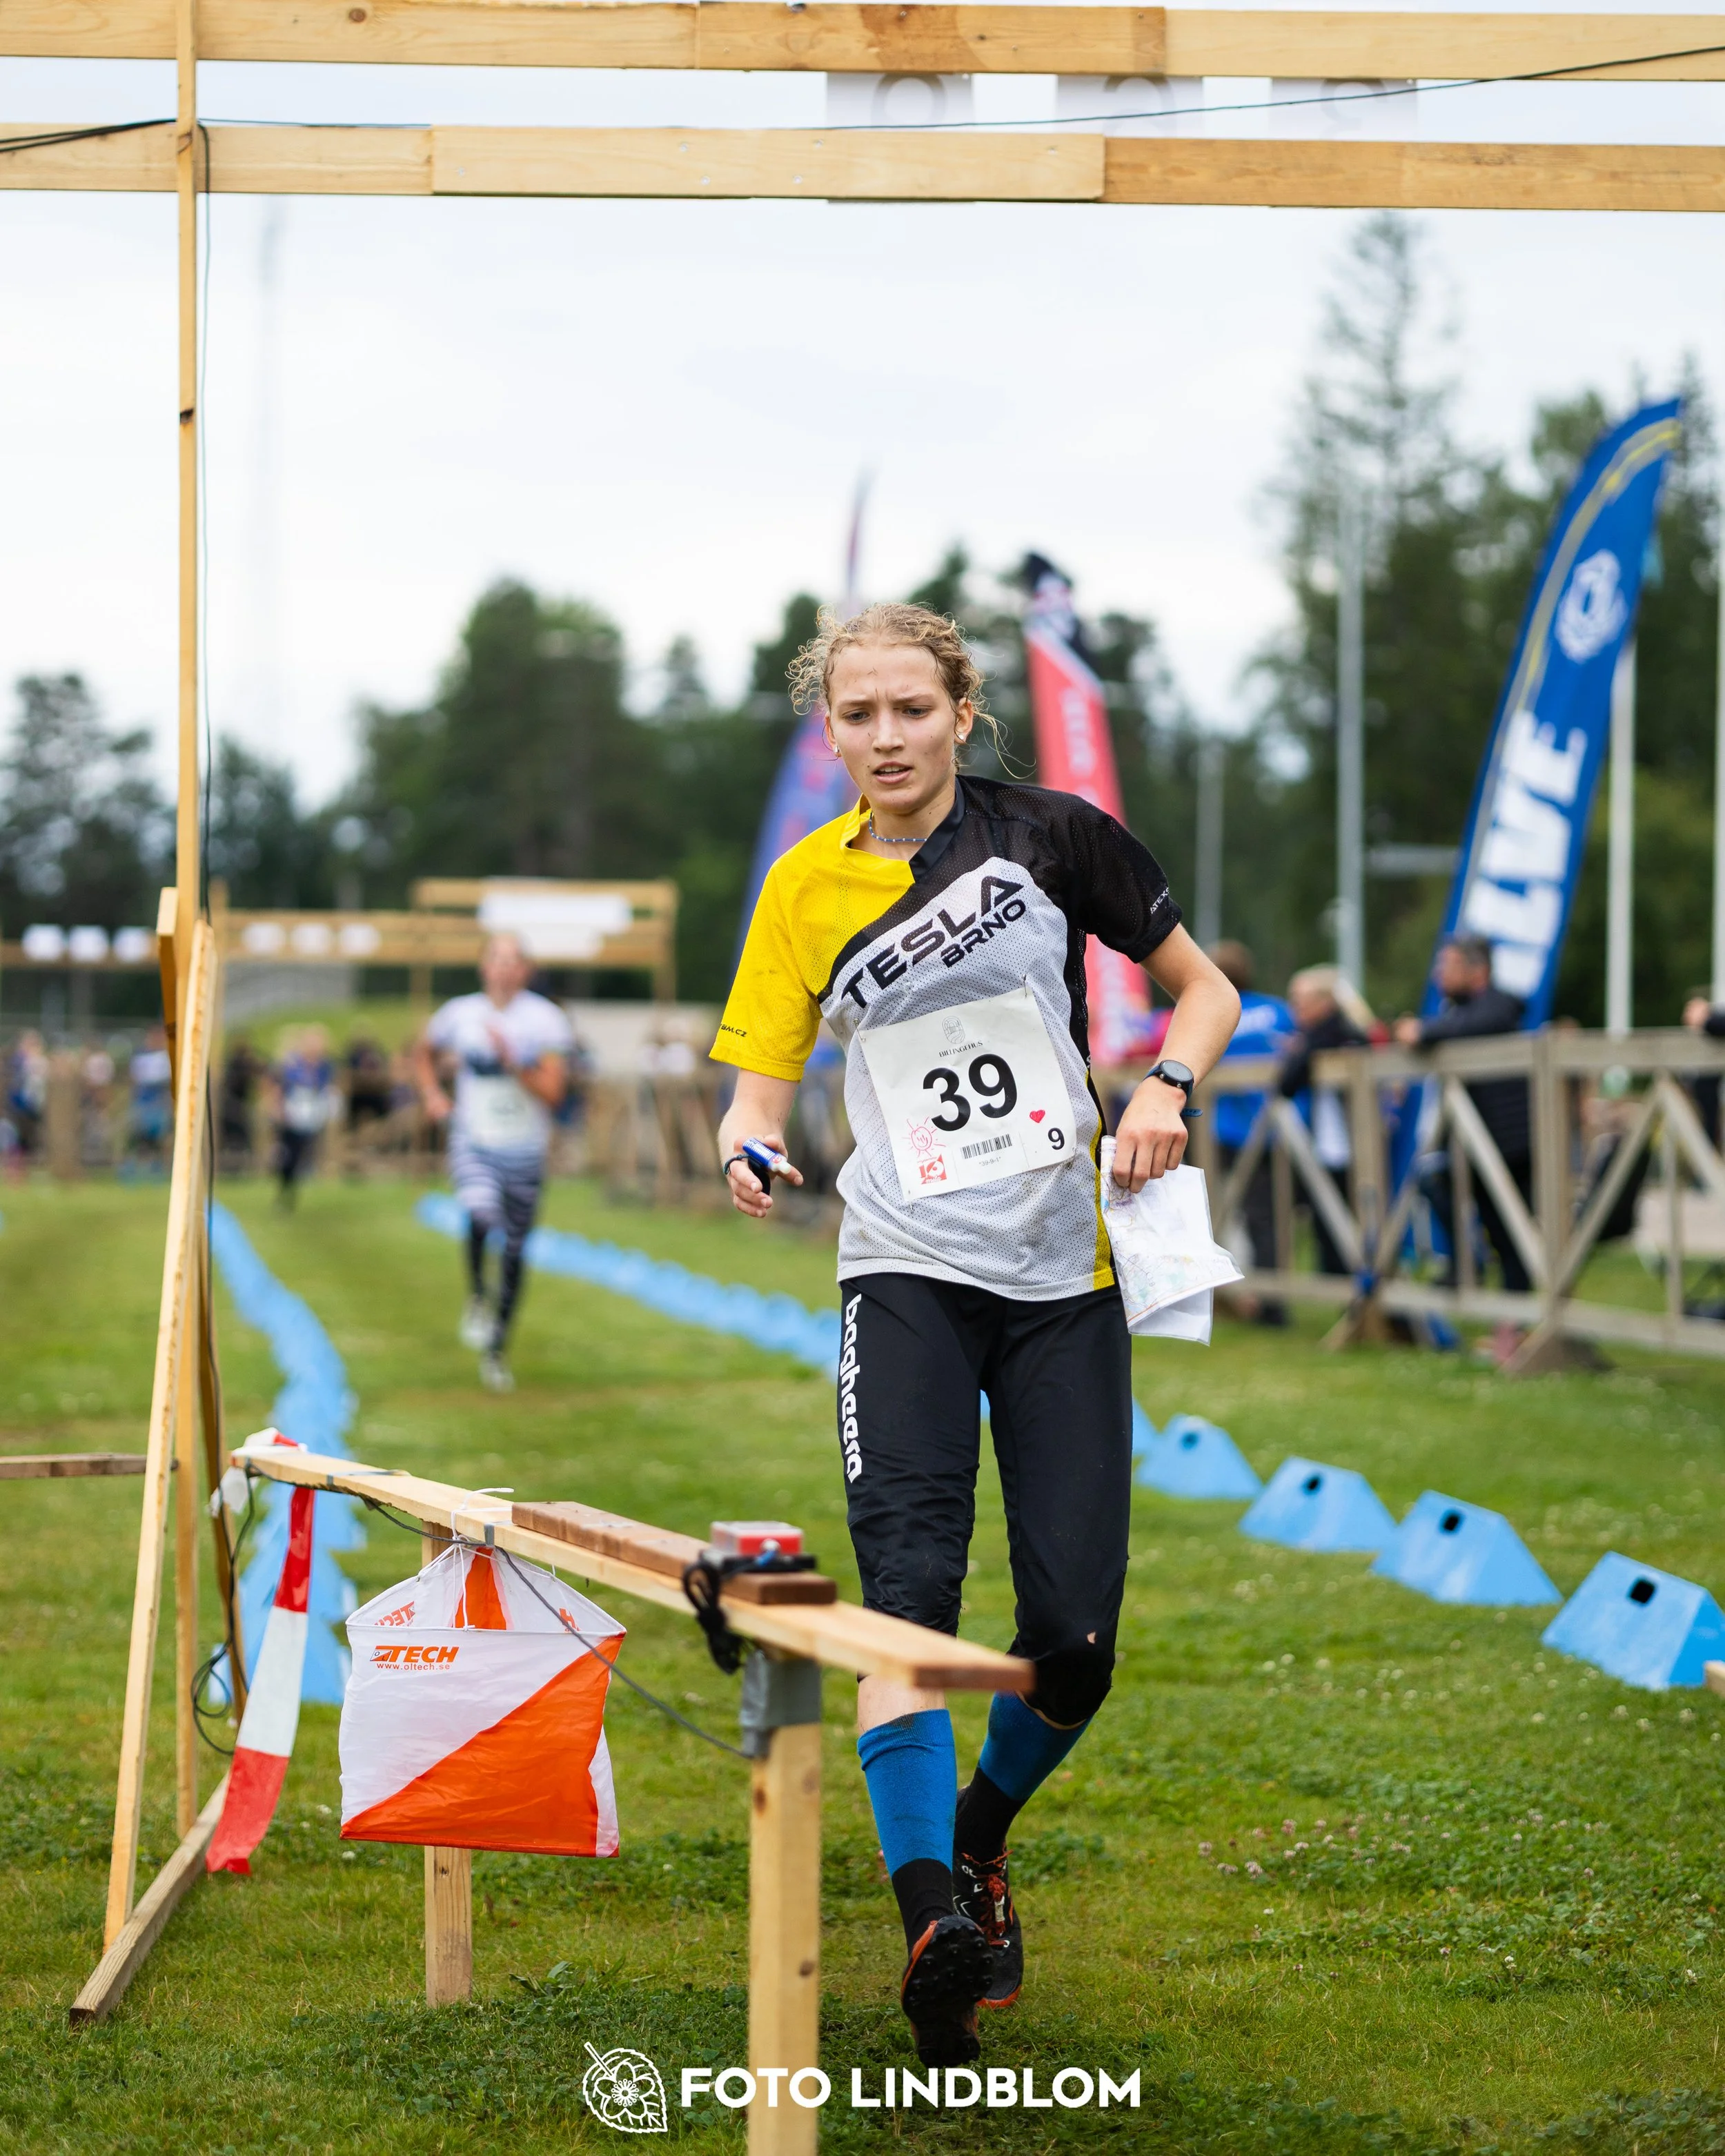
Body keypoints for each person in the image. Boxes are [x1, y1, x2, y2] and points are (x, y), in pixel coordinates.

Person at [711, 603, 1239, 2068]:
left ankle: (978, 1835)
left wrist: (1163, 1090)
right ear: (829, 731)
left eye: (910, 711)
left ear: (960, 713)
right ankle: (933, 1921)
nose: (885, 738)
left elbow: (1206, 989)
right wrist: (747, 1146)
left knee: (1072, 1643)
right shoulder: (802, 888)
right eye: (857, 715)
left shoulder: (1054, 837)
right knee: (907, 1602)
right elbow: (756, 1084)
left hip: (1061, 1278)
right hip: (903, 1275)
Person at [412, 932, 572, 1393]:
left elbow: (554, 1092)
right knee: (480, 1212)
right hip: (474, 1140)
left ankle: (497, 1347)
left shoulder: (547, 1021)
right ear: (483, 966)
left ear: (526, 970)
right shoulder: (459, 1013)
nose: (504, 968)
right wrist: (432, 1094)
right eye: (496, 959)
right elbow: (421, 1050)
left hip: (524, 1150)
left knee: (517, 1249)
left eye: (513, 960)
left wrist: (514, 1060)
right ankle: (478, 1295)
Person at [1394, 933, 1530, 1360]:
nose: (1439, 974)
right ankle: (1472, 1270)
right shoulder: (1465, 1009)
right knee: (1438, 1182)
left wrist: (1422, 1031)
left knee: (1512, 1241)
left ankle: (1513, 1331)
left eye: (1448, 965)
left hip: (1512, 1143)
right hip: (1480, 1143)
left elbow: (1467, 1028)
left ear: (1478, 971)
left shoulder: (1500, 1003)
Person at [1206, 942, 1294, 1318]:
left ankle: (1235, 1298)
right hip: (1276, 1129)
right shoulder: (1279, 1011)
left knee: (1219, 1214)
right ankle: (1271, 1301)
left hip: (1225, 1132)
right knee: (1270, 1217)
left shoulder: (1212, 1011)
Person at [1276, 965, 1373, 1276]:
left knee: (1350, 1219)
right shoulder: (1334, 1034)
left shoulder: (1332, 1035)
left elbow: (1286, 1084)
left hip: (1353, 1145)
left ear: (1325, 1002)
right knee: (1332, 1219)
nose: (1296, 1008)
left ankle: (1352, 1283)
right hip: (1335, 1143)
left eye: (1302, 1000)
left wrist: (1299, 1050)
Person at [270, 1025, 339, 1209]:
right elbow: (280, 1086)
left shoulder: (325, 1066)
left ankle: (297, 1181)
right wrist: (279, 1109)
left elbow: (329, 1088)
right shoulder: (293, 1064)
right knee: (289, 1156)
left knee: (300, 1154)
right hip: (292, 1115)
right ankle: (286, 1189)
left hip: (312, 1117)